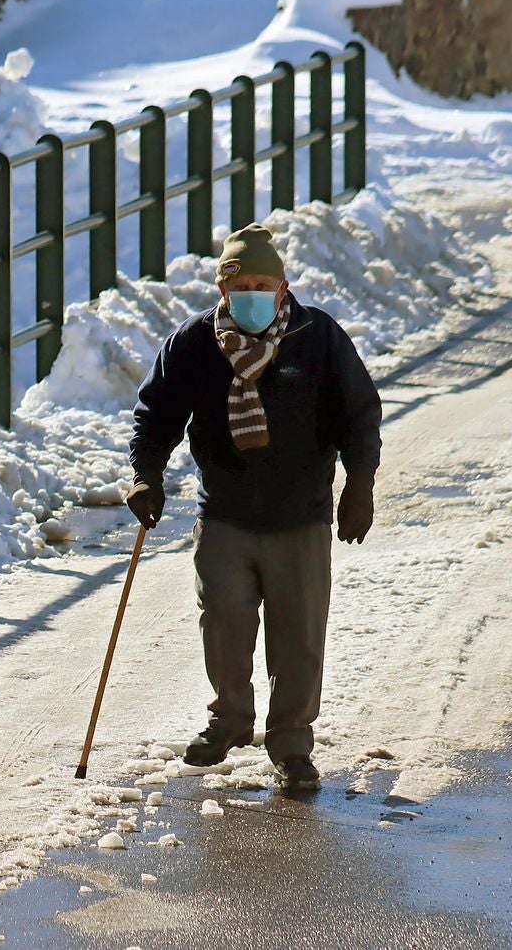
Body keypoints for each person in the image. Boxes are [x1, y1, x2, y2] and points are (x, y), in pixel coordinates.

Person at [125, 223, 381, 790]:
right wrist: (146, 477)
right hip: (225, 516)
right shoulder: (194, 343)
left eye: (265, 284)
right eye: (241, 285)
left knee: (298, 636)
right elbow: (156, 414)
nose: (254, 295)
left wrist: (358, 483)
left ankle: (291, 746)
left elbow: (359, 410)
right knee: (224, 623)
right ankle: (230, 721)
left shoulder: (318, 337)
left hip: (301, 517)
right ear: (222, 289)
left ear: (284, 287)